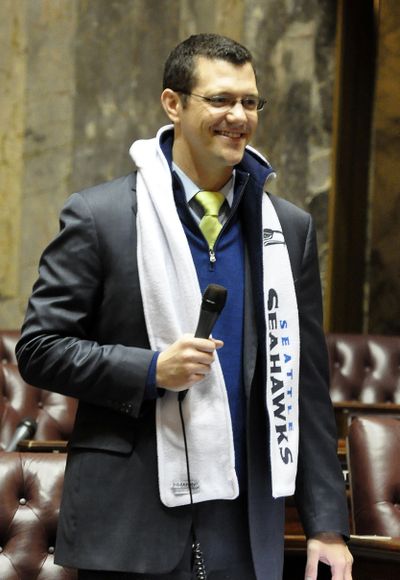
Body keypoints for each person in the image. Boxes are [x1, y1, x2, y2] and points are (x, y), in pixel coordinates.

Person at [16, 33, 353, 580]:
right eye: (220, 100)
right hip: (130, 525)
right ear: (173, 104)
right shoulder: (101, 216)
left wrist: (326, 528)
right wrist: (150, 369)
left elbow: (304, 382)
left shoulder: (288, 229)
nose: (238, 116)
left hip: (246, 527)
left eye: (249, 102)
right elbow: (39, 349)